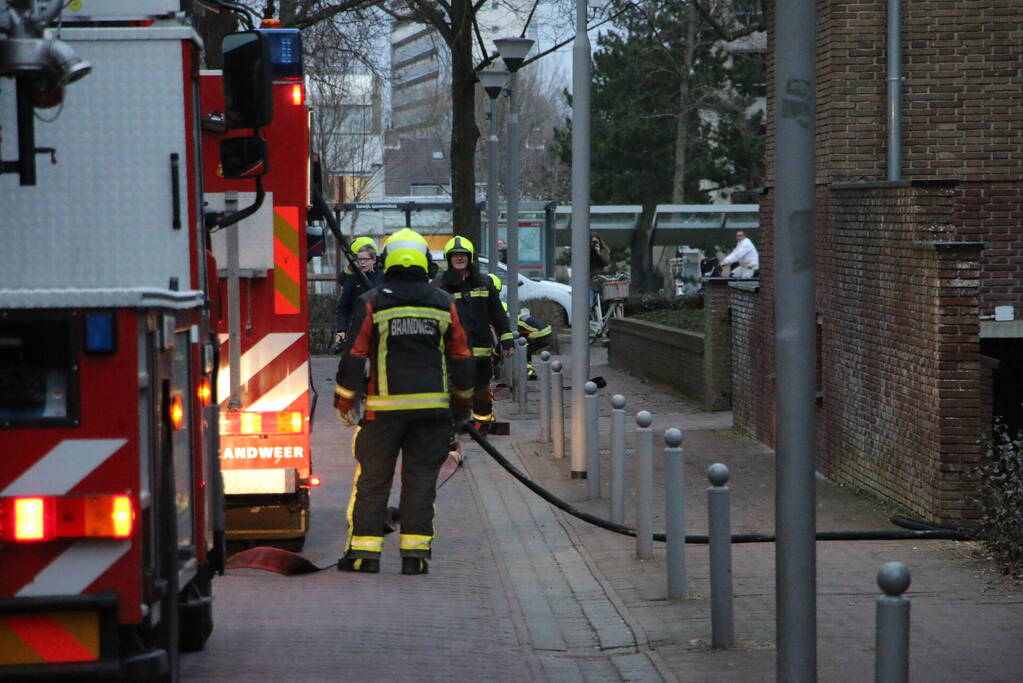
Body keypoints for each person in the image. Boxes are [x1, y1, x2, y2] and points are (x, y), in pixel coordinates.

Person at [334, 228, 475, 575]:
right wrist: (461, 410)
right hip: (431, 414)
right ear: (427, 262)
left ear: (387, 262)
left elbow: (353, 356)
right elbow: (462, 357)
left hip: (383, 415)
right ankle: (416, 557)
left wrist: (345, 401)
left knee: (374, 481)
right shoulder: (445, 303)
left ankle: (364, 556)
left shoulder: (372, 301)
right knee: (421, 482)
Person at [433, 236, 513, 429]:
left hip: (481, 349)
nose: (459, 258)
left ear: (470, 258)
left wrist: (507, 340)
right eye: (455, 256)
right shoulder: (439, 286)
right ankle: (454, 426)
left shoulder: (484, 283)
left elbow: (498, 314)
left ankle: (482, 424)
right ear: (449, 258)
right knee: (453, 389)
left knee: (481, 390)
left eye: (463, 255)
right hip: (451, 350)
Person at [331, 237, 382, 353]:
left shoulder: (384, 278)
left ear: (374, 260)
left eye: (366, 259)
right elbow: (344, 307)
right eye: (359, 259)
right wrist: (341, 330)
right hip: (358, 329)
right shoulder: (352, 279)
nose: (362, 262)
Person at [516, 309, 552, 379]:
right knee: (526, 350)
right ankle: (529, 370)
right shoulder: (523, 318)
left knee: (523, 351)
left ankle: (530, 371)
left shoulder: (517, 323)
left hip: (540, 335)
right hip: (549, 333)